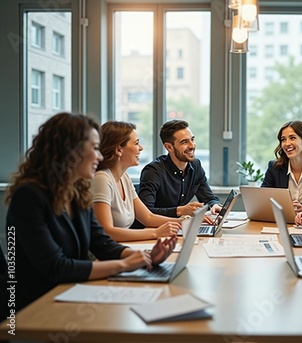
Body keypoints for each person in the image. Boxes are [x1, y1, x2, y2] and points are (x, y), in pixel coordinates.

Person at [5, 112, 177, 311]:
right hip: (37, 305)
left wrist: (144, 258)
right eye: (95, 148)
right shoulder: (29, 197)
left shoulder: (77, 192)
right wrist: (125, 264)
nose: (100, 156)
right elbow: (56, 267)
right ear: (71, 151)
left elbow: (102, 243)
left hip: (71, 293)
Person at [91, 121, 182, 242]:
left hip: (122, 247)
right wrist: (155, 232)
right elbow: (107, 231)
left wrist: (185, 222)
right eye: (136, 143)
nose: (141, 148)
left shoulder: (125, 178)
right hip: (104, 255)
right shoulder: (102, 179)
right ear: (119, 150)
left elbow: (148, 217)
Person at [138, 120, 222, 219]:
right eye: (184, 142)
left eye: (192, 139)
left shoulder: (195, 165)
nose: (192, 145)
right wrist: (179, 211)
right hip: (153, 230)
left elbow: (209, 198)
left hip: (178, 228)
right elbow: (145, 211)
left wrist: (214, 205)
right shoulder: (153, 171)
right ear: (169, 147)